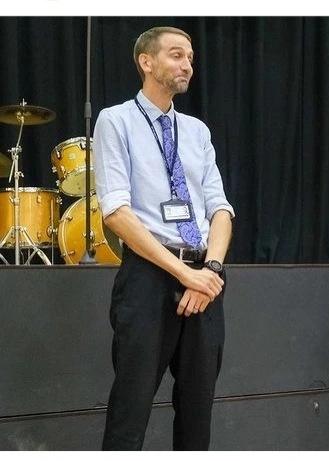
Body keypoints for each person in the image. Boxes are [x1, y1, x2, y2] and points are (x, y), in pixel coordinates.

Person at [94, 26, 234, 450]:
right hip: (149, 277)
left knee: (197, 414)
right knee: (130, 411)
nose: (187, 64)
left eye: (190, 57)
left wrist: (210, 270)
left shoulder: (197, 131)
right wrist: (184, 274)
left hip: (205, 279)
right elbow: (116, 212)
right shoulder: (116, 121)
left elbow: (220, 209)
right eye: (176, 55)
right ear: (146, 61)